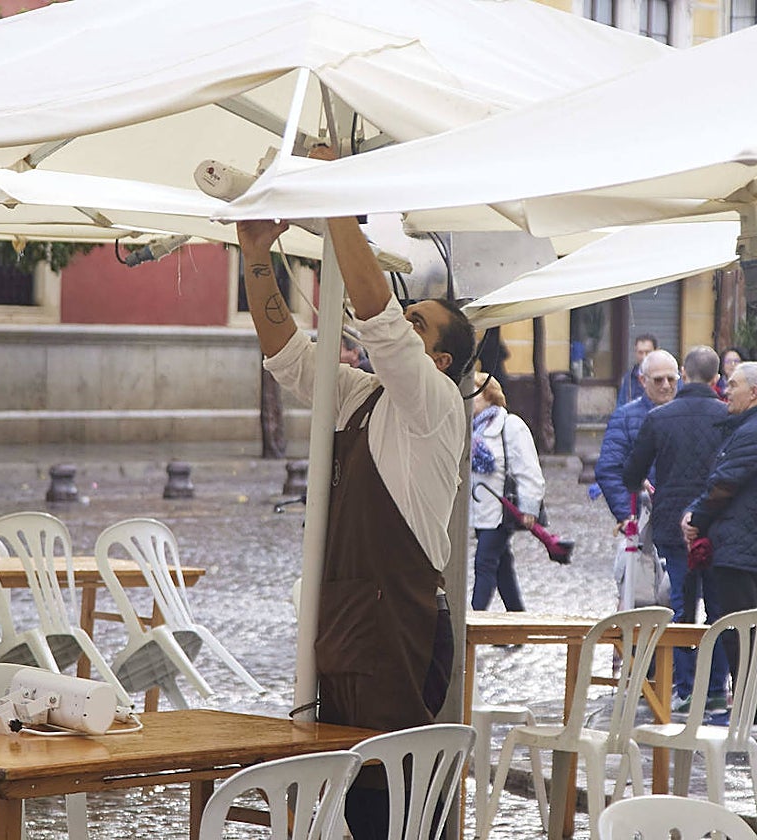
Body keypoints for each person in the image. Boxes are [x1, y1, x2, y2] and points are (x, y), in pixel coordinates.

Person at [236, 161, 475, 838]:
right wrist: (256, 255)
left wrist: (335, 200)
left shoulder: (434, 406)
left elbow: (378, 323)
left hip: (396, 630)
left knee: (385, 809)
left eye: (419, 327)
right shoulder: (358, 395)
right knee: (344, 799)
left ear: (441, 363)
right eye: (407, 315)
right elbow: (285, 352)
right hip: (345, 626)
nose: (401, 324)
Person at [622, 346, 728, 712]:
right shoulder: (728, 415)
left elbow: (631, 473)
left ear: (683, 373)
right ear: (715, 378)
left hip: (671, 523)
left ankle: (684, 688)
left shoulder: (659, 418)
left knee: (682, 606)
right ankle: (715, 689)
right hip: (716, 524)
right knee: (719, 608)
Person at [683, 361, 757, 683]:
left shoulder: (751, 431)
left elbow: (724, 484)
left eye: (733, 385)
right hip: (743, 546)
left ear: (754, 393)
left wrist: (695, 520)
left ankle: (747, 712)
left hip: (741, 551)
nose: (725, 391)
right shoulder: (743, 428)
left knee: (741, 636)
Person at [469, 372, 544, 612]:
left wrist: (529, 507)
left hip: (502, 511)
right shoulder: (473, 430)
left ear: (489, 396)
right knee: (502, 568)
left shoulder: (510, 425)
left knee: (485, 564)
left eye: (475, 394)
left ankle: (471, 624)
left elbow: (528, 469)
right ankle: (517, 620)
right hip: (481, 510)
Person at [596, 349, 680, 526]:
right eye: (658, 380)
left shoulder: (688, 414)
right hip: (644, 518)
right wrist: (627, 514)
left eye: (671, 379)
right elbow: (610, 469)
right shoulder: (624, 417)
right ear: (643, 380)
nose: (666, 385)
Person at [616, 333, 658, 408]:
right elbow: (621, 407)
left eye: (648, 352)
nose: (644, 357)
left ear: (656, 351)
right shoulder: (629, 378)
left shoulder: (668, 376)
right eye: (640, 352)